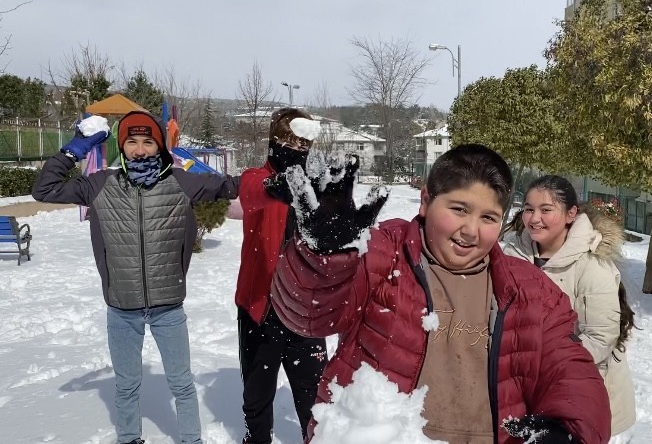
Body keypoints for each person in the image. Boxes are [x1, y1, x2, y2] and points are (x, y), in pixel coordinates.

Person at [272, 144, 612, 444]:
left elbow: (569, 367)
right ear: (425, 201)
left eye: (488, 217)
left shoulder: (530, 289)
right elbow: (310, 315)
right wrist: (328, 256)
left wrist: (568, 427)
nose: (471, 230)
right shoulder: (384, 255)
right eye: (459, 209)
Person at [32, 111, 240, 444]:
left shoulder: (180, 182)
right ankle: (129, 438)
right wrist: (75, 149)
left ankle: (192, 440)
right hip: (122, 308)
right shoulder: (101, 184)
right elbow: (45, 189)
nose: (140, 150)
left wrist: (279, 176)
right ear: (122, 146)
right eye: (132, 142)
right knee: (126, 386)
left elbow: (232, 186)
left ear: (159, 146)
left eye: (148, 142)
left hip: (168, 308)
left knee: (182, 384)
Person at [501, 175, 637, 438]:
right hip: (525, 389)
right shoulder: (512, 255)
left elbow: (599, 339)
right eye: (529, 209)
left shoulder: (592, 266)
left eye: (546, 210)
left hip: (581, 397)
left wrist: (535, 360)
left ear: (570, 214)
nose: (534, 218)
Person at [234, 108, 328, 443]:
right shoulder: (255, 177)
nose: (296, 149)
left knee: (317, 398)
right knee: (257, 396)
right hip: (261, 310)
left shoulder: (315, 190)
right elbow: (250, 193)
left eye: (303, 143)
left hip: (306, 312)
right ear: (274, 141)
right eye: (289, 140)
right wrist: (277, 186)